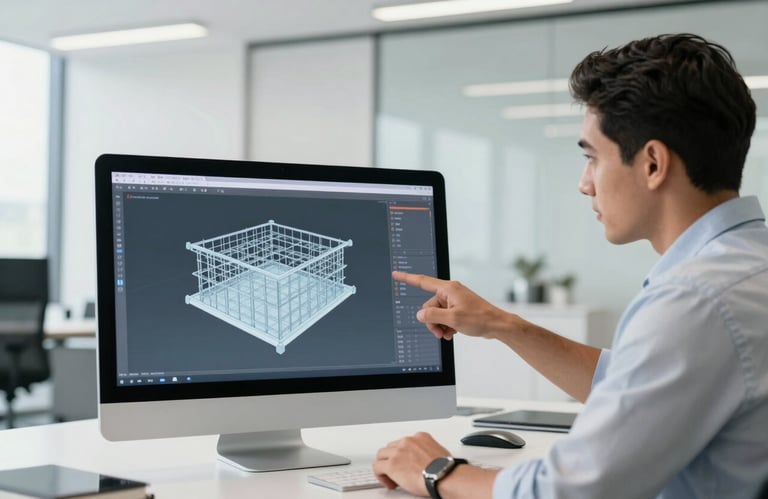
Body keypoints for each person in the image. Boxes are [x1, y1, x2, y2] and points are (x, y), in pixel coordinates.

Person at [372, 33, 768, 499]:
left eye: (591, 158)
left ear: (653, 163)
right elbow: (636, 385)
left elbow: (574, 489)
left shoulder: (696, 299)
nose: (584, 184)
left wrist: (438, 471)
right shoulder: (746, 266)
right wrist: (503, 325)